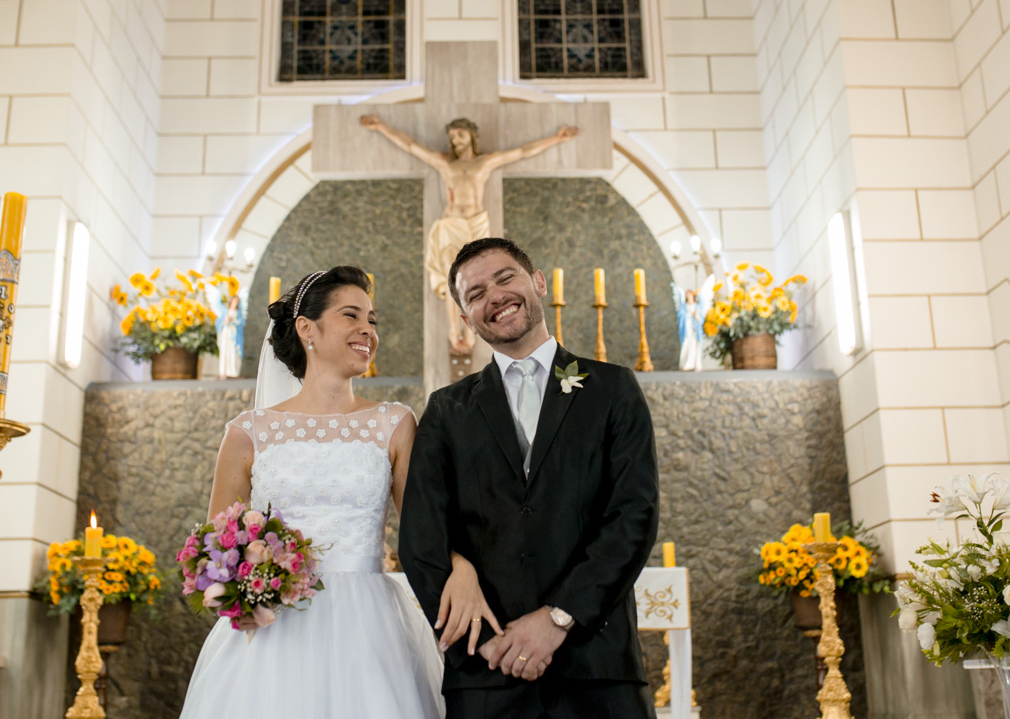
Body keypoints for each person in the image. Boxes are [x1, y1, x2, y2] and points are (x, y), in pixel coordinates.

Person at [180, 266, 500, 718]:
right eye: (351, 316)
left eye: (372, 319)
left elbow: (423, 528)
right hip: (274, 629)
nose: (366, 330)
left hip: (368, 625)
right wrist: (237, 602)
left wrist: (462, 566)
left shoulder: (395, 423)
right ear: (307, 328)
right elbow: (215, 550)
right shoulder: (247, 433)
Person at [399, 238, 660, 719]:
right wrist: (484, 644)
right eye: (475, 294)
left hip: (598, 670)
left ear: (537, 282)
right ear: (465, 318)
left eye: (505, 278)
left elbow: (634, 515)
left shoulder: (612, 388)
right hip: (486, 676)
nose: (494, 297)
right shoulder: (446, 409)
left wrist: (560, 618)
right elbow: (420, 536)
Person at [360, 114, 577, 354]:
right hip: (451, 222)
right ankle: (454, 331)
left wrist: (556, 139)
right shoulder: (445, 163)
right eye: (453, 136)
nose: (456, 140)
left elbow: (523, 151)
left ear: (472, 136)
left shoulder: (484, 162)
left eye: (461, 134)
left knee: (477, 278)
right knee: (452, 276)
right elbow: (412, 146)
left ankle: (471, 331)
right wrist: (380, 127)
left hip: (476, 223)